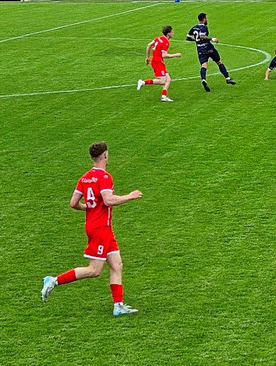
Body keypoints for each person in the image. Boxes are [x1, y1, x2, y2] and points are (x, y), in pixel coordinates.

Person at [40, 141, 142, 316]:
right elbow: (108, 200)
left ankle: (118, 305)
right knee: (94, 270)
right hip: (100, 228)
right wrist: (130, 196)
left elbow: (73, 203)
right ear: (105, 155)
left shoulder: (85, 177)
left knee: (117, 264)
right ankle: (54, 280)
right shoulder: (104, 177)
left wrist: (87, 208)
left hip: (98, 227)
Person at [186, 12, 236, 92]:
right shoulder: (204, 27)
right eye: (206, 18)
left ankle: (203, 79)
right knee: (219, 61)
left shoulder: (194, 28)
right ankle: (227, 78)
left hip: (200, 49)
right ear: (204, 19)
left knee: (204, 65)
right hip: (208, 48)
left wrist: (196, 40)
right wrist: (212, 39)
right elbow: (202, 36)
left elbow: (187, 38)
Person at [137, 25, 182, 102]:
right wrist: (176, 55)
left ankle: (164, 96)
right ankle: (143, 82)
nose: (173, 33)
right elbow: (164, 55)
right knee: (162, 81)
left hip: (157, 61)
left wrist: (147, 57)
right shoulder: (166, 42)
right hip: (157, 62)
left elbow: (149, 45)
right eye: (172, 32)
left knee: (168, 79)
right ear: (168, 33)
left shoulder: (158, 38)